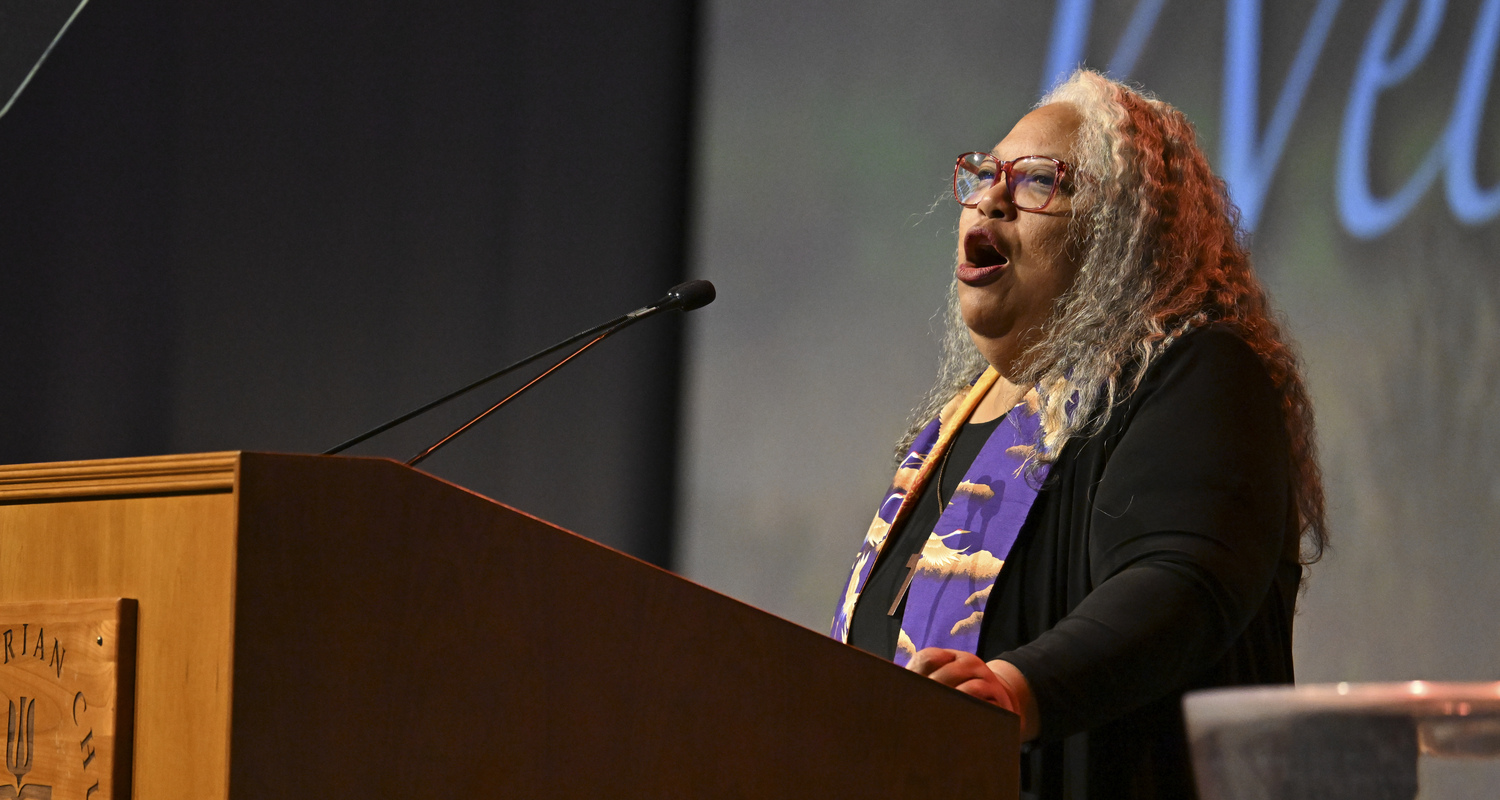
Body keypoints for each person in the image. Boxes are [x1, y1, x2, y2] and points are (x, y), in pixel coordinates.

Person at [829, 69, 1326, 800]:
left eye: (1038, 182)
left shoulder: (1195, 375)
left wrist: (1019, 689)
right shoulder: (951, 429)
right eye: (985, 174)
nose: (994, 196)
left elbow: (1181, 582)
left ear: (1122, 234)